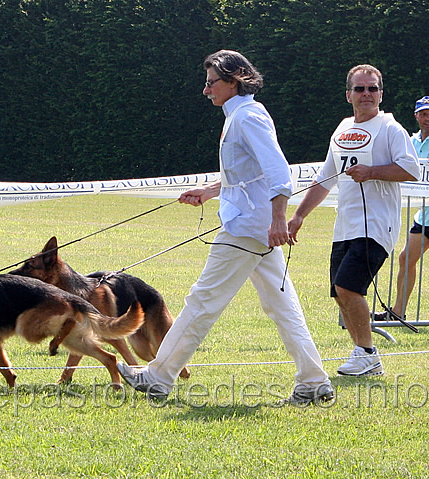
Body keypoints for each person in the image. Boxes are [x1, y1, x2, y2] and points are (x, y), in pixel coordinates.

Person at [117, 50, 334, 405]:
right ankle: (313, 381)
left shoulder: (248, 117)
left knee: (203, 300)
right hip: (252, 225)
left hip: (248, 227)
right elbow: (246, 172)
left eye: (211, 82)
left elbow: (279, 171)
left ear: (233, 81)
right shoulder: (242, 115)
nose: (206, 90)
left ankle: (158, 376)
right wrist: (210, 190)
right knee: (282, 306)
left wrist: (279, 218)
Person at [288, 65, 420, 377]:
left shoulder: (391, 129)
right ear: (348, 95)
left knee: (349, 287)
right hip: (344, 225)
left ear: (381, 94)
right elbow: (324, 180)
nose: (366, 94)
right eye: (359, 89)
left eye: (372, 89)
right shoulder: (342, 129)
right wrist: (298, 215)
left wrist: (372, 171)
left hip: (376, 225)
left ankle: (367, 354)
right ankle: (362, 354)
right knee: (339, 292)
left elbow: (411, 169)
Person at [372, 96, 429, 322]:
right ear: (416, 116)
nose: (427, 118)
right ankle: (397, 312)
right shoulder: (412, 142)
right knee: (406, 259)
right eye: (423, 114)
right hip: (423, 217)